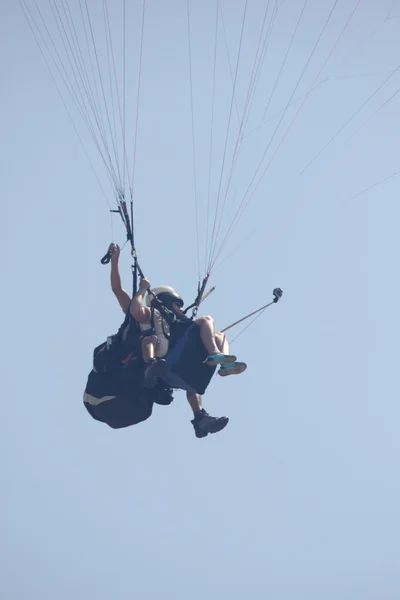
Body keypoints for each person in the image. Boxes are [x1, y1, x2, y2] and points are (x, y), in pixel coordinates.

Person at [107, 242, 246, 438]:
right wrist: (117, 263)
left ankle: (201, 416)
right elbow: (118, 290)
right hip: (164, 361)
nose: (179, 309)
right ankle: (215, 355)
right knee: (207, 319)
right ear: (164, 300)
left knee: (218, 338)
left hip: (178, 371)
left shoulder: (177, 326)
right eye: (176, 304)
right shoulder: (148, 315)